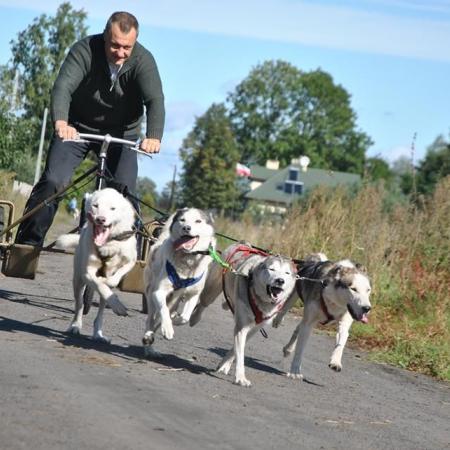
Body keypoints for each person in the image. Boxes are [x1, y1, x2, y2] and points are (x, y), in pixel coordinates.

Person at [15, 11, 165, 247]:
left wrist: (154, 136)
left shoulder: (143, 60)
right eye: (115, 45)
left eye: (127, 47)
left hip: (122, 134)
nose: (121, 53)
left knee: (125, 193)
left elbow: (155, 100)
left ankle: (128, 256)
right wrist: (61, 123)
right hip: (77, 128)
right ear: (105, 35)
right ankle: (26, 246)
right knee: (54, 181)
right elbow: (62, 87)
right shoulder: (84, 50)